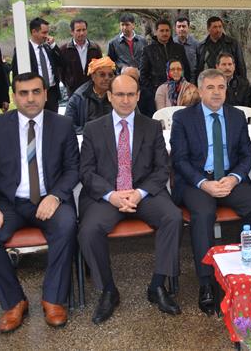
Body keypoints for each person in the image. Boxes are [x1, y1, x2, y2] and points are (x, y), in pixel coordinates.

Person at [0, 72, 80, 332]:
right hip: (7, 204)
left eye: (36, 92)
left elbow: (73, 169)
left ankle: (53, 299)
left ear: (45, 94)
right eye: (23, 93)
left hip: (48, 199)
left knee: (67, 226)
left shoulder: (63, 125)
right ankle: (14, 302)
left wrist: (55, 195)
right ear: (14, 96)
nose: (30, 98)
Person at [78, 74, 183, 324]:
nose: (125, 100)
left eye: (130, 95)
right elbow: (86, 171)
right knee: (89, 230)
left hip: (143, 193)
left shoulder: (152, 127)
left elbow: (162, 168)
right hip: (107, 196)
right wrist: (112, 195)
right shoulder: (93, 128)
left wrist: (139, 193)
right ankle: (108, 290)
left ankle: (157, 285)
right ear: (110, 96)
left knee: (173, 217)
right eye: (120, 95)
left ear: (138, 96)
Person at [170, 69, 251, 315]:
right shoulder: (183, 118)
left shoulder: (236, 116)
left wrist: (234, 178)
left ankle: (240, 265)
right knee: (204, 214)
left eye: (221, 87)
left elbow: (247, 155)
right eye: (210, 87)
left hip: (229, 177)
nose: (216, 93)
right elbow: (179, 160)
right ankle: (206, 282)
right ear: (200, 90)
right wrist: (203, 183)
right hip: (196, 180)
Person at [140, 18, 191, 116]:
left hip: (179, 92)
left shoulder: (179, 48)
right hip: (157, 92)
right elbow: (143, 75)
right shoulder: (148, 50)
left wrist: (183, 87)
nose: (165, 33)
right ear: (156, 32)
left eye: (167, 30)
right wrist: (153, 90)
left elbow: (186, 70)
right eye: (162, 30)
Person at [12, 17, 62, 113]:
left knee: (52, 120)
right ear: (34, 32)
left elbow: (62, 62)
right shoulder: (23, 49)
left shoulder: (48, 47)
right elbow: (16, 73)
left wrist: (53, 46)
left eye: (47, 32)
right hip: (33, 94)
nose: (47, 36)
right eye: (44, 33)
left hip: (51, 93)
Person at [65, 56, 115, 134]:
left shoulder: (118, 94)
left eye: (110, 75)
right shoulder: (79, 97)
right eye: (102, 74)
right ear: (93, 76)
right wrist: (89, 134)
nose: (107, 78)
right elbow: (68, 125)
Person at [59, 18, 102, 96]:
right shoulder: (64, 49)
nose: (82, 33)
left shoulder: (95, 48)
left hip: (92, 89)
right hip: (73, 91)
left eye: (84, 30)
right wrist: (69, 83)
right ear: (72, 32)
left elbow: (100, 68)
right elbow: (61, 71)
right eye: (78, 30)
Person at [195, 16, 246, 80]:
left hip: (229, 82)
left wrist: (243, 82)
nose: (218, 30)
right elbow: (198, 68)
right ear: (208, 29)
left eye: (220, 26)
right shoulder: (201, 46)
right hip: (208, 82)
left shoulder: (233, 44)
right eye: (215, 27)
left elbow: (241, 66)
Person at [172, 16, 200, 81]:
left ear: (188, 27)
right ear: (175, 28)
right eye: (179, 26)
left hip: (192, 81)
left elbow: (199, 64)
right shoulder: (171, 44)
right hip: (175, 81)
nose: (181, 29)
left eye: (184, 26)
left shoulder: (196, 44)